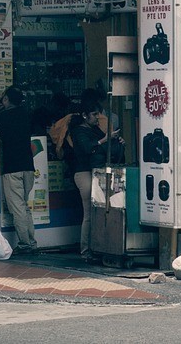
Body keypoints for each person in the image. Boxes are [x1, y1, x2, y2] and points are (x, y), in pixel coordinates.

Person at [0, 85, 37, 254]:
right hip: (28, 166)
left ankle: (25, 244)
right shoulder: (27, 114)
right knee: (24, 206)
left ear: (6, 100)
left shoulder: (1, 116)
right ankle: (32, 242)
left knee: (17, 207)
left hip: (12, 168)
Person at [68, 107, 114, 262]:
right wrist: (105, 140)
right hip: (83, 173)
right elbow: (87, 148)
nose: (97, 118)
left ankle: (97, 246)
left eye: (98, 114)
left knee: (98, 211)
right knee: (89, 212)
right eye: (94, 114)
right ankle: (85, 249)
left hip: (96, 172)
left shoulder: (96, 129)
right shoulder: (78, 131)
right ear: (84, 115)